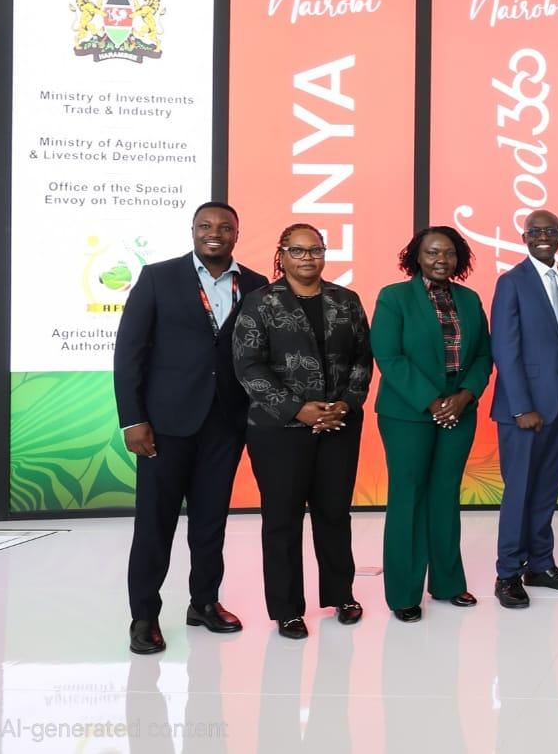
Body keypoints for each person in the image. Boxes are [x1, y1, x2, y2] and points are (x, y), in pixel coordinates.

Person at [114, 202, 269, 654]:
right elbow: (129, 353)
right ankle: (144, 616)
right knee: (154, 524)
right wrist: (133, 419)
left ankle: (204, 602)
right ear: (193, 230)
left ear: (237, 233)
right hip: (165, 424)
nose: (214, 232)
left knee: (211, 521)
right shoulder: (158, 278)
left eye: (225, 226)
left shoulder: (256, 285)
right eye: (205, 225)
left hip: (226, 423)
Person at [233, 223, 373, 639]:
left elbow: (363, 357)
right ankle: (287, 609)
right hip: (278, 430)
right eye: (298, 250)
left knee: (334, 514)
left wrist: (346, 403)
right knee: (282, 519)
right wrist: (297, 409)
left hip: (338, 424)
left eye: (315, 250)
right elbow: (248, 364)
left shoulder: (346, 300)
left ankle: (341, 595)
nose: (308, 258)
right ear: (282, 255)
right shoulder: (260, 302)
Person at [371, 226, 493, 622]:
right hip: (408, 413)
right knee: (408, 497)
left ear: (460, 259)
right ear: (416, 257)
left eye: (449, 253)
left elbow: (483, 356)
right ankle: (404, 594)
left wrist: (464, 396)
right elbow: (389, 357)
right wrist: (433, 401)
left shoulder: (469, 299)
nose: (441, 260)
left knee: (445, 494)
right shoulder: (394, 297)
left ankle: (447, 583)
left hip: (459, 410)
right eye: (432, 253)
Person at [488, 209, 558, 608]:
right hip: (523, 411)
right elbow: (504, 348)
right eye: (535, 231)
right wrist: (520, 407)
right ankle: (508, 573)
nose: (543, 237)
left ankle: (541, 565)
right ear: (525, 238)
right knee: (519, 492)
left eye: (550, 231)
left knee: (546, 491)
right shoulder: (511, 282)